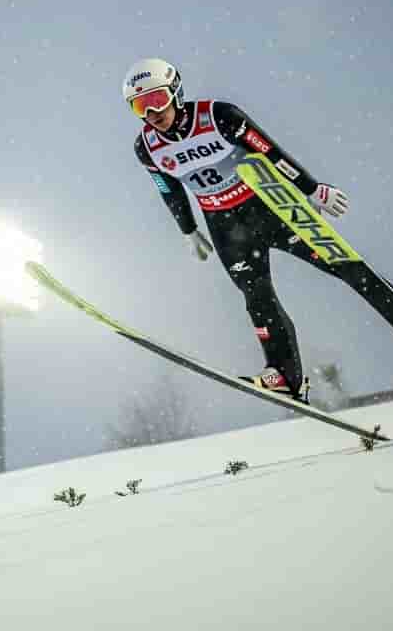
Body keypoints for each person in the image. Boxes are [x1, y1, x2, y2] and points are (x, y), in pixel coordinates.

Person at [125, 57, 350, 402]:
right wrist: (188, 230)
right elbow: (169, 189)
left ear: (176, 92)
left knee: (338, 264)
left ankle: (391, 304)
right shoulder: (146, 147)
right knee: (256, 297)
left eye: (157, 99)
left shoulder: (219, 116)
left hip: (267, 208)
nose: (152, 112)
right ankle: (284, 375)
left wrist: (312, 189)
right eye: (141, 106)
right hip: (225, 226)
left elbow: (272, 153)